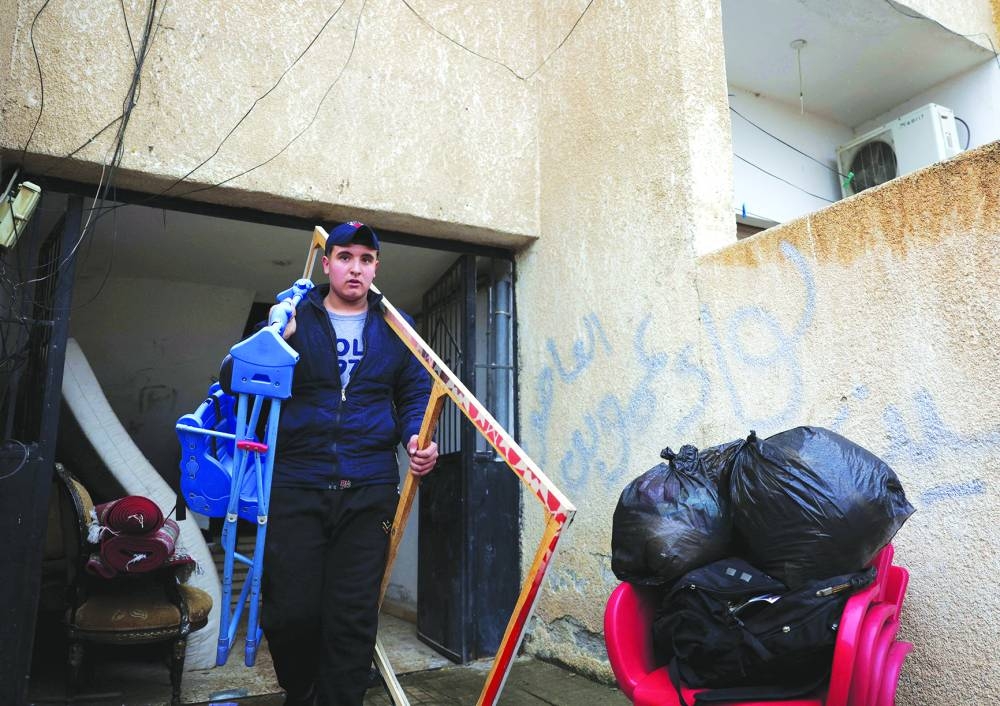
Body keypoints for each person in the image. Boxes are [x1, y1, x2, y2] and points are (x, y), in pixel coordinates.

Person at [261, 220, 438, 706]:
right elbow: (241, 374)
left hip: (369, 487)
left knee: (352, 614)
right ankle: (301, 691)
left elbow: (415, 392)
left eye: (365, 259)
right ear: (327, 263)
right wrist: (280, 338)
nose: (354, 268)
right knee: (290, 611)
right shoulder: (294, 313)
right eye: (345, 257)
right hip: (297, 482)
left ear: (376, 267)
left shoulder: (395, 327)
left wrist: (417, 438)